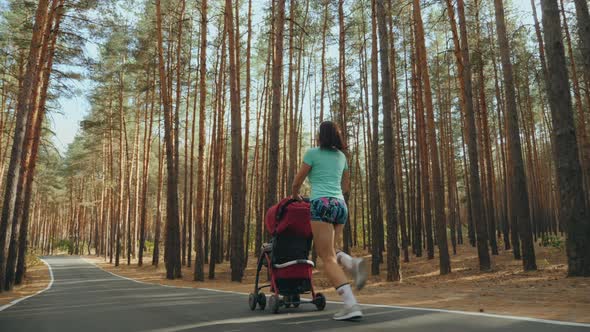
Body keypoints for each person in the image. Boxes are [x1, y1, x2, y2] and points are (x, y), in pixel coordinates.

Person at [291, 121, 368, 321]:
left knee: (327, 258)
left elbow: (298, 180)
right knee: (333, 248)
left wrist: (295, 194)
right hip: (340, 205)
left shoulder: (313, 153)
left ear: (320, 135)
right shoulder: (342, 156)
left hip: (321, 204)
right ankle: (351, 262)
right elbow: (346, 184)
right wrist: (335, 197)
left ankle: (351, 304)